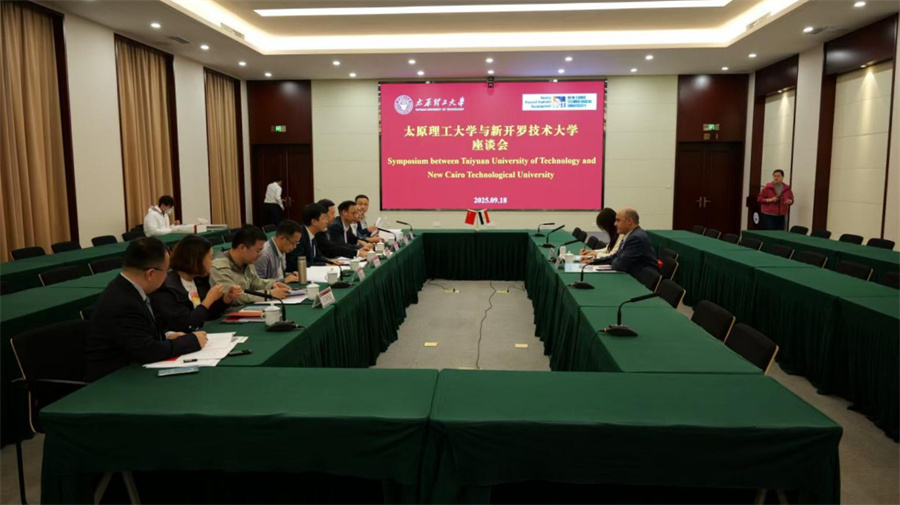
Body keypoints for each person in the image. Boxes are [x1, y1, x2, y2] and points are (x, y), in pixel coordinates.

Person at [85, 237, 207, 381]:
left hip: (132, 368)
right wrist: (192, 341)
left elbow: (142, 331)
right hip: (113, 379)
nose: (167, 276)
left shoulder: (129, 288)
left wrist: (168, 335)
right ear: (150, 274)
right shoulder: (122, 301)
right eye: (166, 271)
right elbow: (148, 350)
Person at [150, 235, 243, 333]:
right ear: (197, 260)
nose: (212, 263)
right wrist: (208, 300)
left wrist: (226, 299)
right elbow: (186, 324)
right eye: (210, 258)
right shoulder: (168, 289)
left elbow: (209, 314)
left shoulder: (199, 280)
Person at [210, 225, 292, 305]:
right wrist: (269, 294)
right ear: (242, 247)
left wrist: (272, 284)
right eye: (258, 251)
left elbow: (255, 282)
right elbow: (234, 298)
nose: (260, 255)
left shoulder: (247, 260)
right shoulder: (219, 266)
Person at [286, 199, 365, 271]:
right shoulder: (300, 236)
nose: (327, 221)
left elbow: (317, 256)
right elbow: (296, 264)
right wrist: (324, 264)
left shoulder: (312, 234)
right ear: (314, 222)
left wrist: (328, 261)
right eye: (324, 218)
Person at [593, 208, 658, 279]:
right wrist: (594, 261)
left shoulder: (636, 238)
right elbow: (615, 256)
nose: (615, 224)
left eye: (618, 220)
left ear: (629, 221)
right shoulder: (630, 235)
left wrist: (616, 260)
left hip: (641, 280)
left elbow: (620, 265)